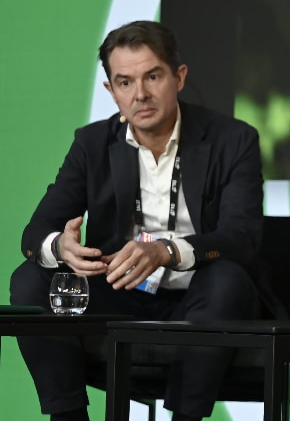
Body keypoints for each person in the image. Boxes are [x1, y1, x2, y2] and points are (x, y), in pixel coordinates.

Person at [10, 21, 271, 421]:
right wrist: (59, 247)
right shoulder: (91, 144)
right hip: (119, 291)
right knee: (29, 278)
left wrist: (166, 251)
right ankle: (68, 416)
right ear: (110, 91)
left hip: (200, 295)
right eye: (125, 82)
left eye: (152, 76)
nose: (141, 95)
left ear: (178, 77)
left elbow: (242, 238)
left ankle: (185, 417)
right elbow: (34, 233)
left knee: (228, 279)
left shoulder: (232, 140)